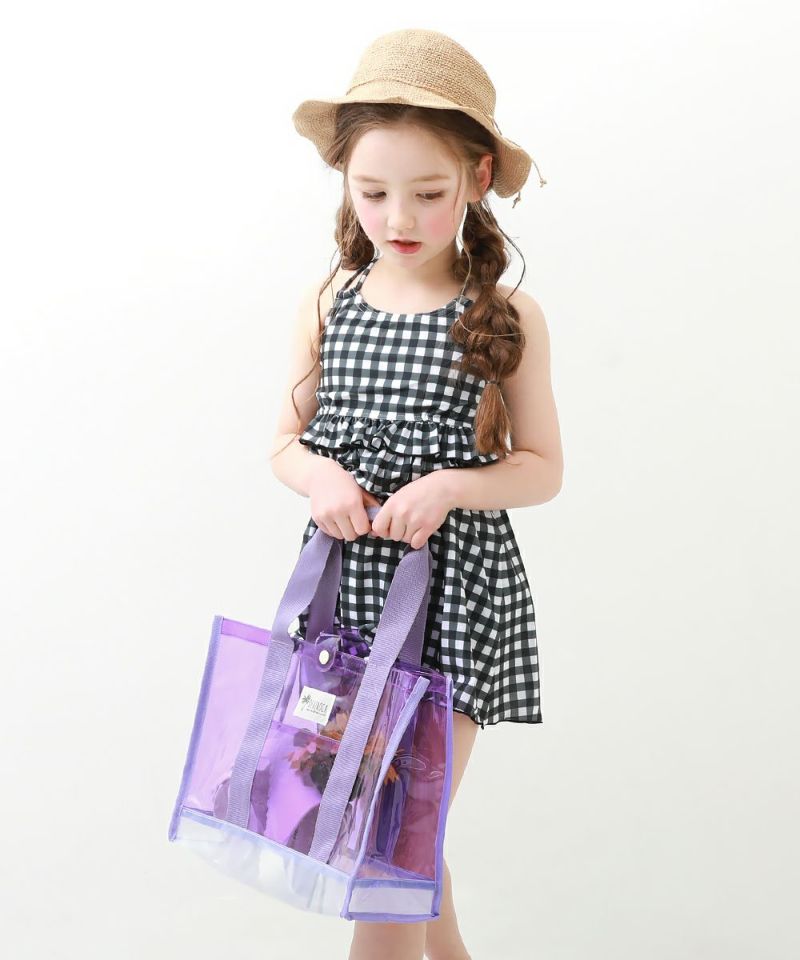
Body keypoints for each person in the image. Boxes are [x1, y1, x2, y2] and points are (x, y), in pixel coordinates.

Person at [270, 27, 563, 960]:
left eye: (428, 193)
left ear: (479, 178)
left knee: (392, 836)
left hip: (453, 602)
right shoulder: (331, 302)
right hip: (346, 601)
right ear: (345, 184)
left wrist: (448, 486)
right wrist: (319, 475)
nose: (397, 216)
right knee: (396, 835)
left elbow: (542, 468)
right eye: (372, 191)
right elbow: (283, 445)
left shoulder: (507, 317)